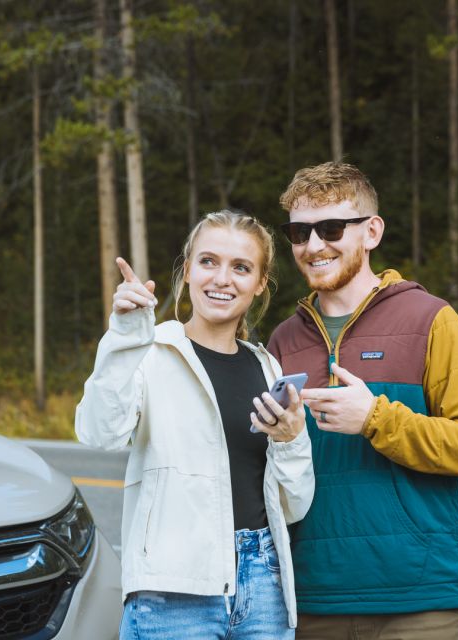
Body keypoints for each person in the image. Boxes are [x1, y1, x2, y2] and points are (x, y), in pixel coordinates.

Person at [266, 162, 458, 639]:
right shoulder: (282, 341)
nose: (313, 246)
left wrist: (376, 417)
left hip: (417, 603)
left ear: (371, 231)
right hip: (311, 601)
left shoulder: (431, 319)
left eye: (331, 228)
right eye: (299, 232)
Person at [75, 210, 315, 639]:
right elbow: (99, 432)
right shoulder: (150, 352)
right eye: (208, 262)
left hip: (264, 585)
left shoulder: (268, 367)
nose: (222, 279)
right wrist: (126, 336)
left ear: (260, 283)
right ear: (187, 271)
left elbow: (293, 505)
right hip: (172, 590)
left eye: (241, 267)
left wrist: (292, 439)